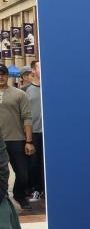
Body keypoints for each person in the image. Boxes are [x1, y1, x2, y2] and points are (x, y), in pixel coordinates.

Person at [0, 65, 34, 212]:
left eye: (3, 74)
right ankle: (3, 200)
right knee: (2, 175)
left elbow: (27, 117)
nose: (1, 77)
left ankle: (19, 195)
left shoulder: (19, 94)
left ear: (8, 76)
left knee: (23, 174)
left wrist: (29, 141)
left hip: (17, 140)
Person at [21, 62, 42, 202]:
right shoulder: (25, 90)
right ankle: (36, 189)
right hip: (33, 132)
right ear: (33, 70)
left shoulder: (50, 86)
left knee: (47, 163)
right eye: (39, 66)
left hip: (49, 132)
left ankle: (45, 189)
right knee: (34, 163)